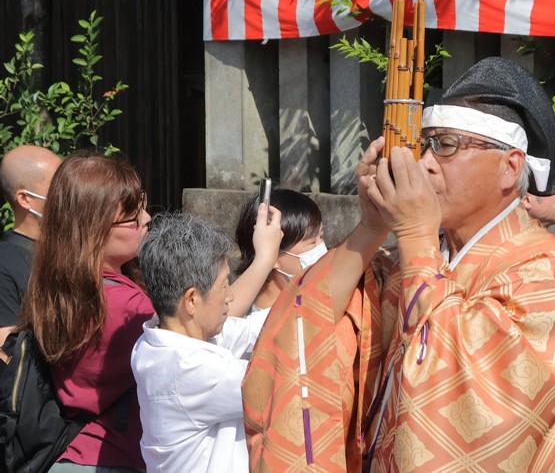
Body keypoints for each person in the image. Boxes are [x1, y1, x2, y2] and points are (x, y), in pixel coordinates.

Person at [242, 57, 555, 471]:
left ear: (509, 167)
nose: (426, 163)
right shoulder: (410, 263)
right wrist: (372, 227)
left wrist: (416, 235)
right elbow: (305, 324)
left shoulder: (554, 269)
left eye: (447, 145)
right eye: (426, 144)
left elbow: (477, 412)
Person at [17, 151, 154, 471]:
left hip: (73, 453)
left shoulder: (59, 287)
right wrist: (263, 260)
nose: (147, 218)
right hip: (109, 458)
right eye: (133, 215)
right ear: (94, 228)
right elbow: (198, 340)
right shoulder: (126, 307)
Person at [132, 212, 275, 473]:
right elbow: (281, 379)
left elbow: (260, 327)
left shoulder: (157, 341)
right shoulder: (188, 368)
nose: (231, 296)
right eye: (224, 285)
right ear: (191, 300)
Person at [0, 145, 61, 348]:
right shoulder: (4, 265)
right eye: (58, 184)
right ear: (25, 198)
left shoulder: (70, 250)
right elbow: (8, 353)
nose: (67, 192)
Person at [234, 188, 325, 312]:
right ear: (272, 254)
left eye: (321, 237)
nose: (322, 248)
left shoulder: (316, 300)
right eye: (312, 242)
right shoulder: (253, 320)